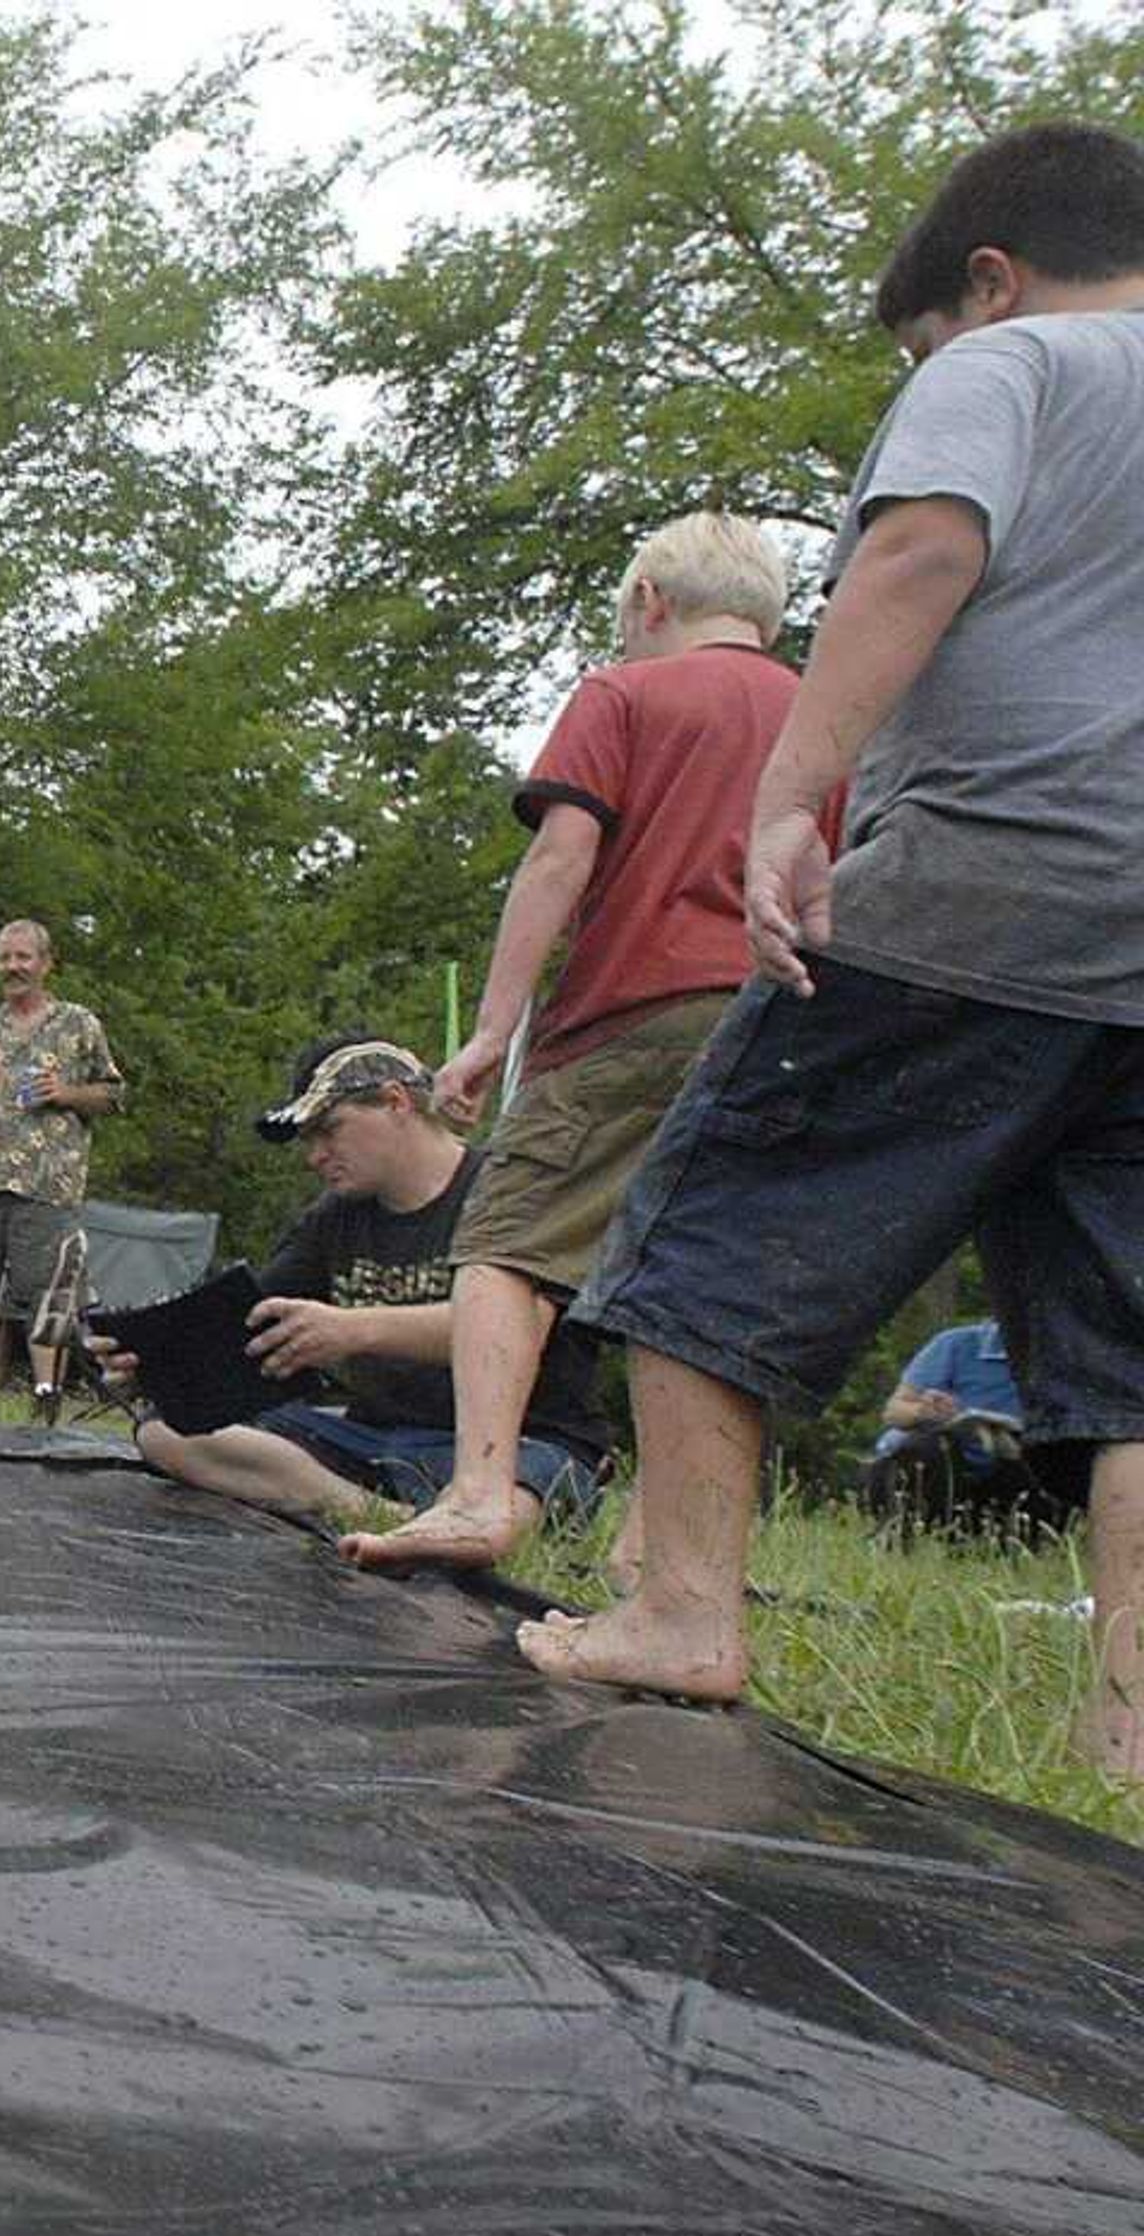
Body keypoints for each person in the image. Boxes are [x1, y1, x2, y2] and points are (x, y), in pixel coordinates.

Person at [512, 124, 1144, 1785]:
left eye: (928, 335)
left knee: (713, 1224)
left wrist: (798, 801)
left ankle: (682, 1609)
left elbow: (921, 549)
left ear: (988, 279)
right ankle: (1132, 1725)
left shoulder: (1019, 360)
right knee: (1129, 1340)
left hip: (980, 883)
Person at [350, 514, 825, 1575]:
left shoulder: (625, 693)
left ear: (652, 599)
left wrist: (490, 1030)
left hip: (630, 1013)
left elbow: (562, 860)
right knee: (707, 1281)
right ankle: (660, 1545)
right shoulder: (825, 714)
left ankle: (479, 1489)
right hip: (781, 1019)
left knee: (508, 1245)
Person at [92, 1037, 608, 1534]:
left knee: (523, 1497)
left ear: (395, 1102)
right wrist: (159, 1366)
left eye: (329, 1130)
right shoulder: (334, 1219)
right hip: (371, 1438)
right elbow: (254, 1328)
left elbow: (520, 1326)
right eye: (308, 1139)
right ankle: (377, 1513)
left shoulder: (504, 1192)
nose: (315, 1155)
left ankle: (460, 1514)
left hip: (520, 1443)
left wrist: (353, 1329)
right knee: (166, 1432)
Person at [0, 919, 121, 1411]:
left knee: (46, 1290)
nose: (13, 967)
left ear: (46, 963)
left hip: (47, 1180)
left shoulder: (78, 1023)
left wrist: (68, 1093)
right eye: (5, 959)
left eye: (23, 957)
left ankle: (45, 1391)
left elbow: (114, 1094)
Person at [858, 1319, 1071, 1535]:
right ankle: (905, 1532)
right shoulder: (956, 1343)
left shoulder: (1067, 1355)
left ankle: (1020, 1539)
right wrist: (923, 1410)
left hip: (1014, 1470)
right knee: (928, 1448)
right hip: (943, 1467)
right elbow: (894, 1412)